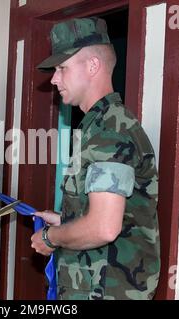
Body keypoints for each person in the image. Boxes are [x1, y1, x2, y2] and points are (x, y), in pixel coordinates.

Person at [31, 17, 160, 300]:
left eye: (62, 68)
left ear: (92, 66)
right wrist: (66, 221)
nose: (54, 78)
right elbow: (108, 212)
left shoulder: (109, 131)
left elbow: (103, 227)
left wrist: (51, 238)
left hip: (105, 290)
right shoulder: (97, 125)